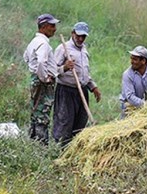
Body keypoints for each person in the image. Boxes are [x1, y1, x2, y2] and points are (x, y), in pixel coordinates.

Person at [52, 21, 102, 147]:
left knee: (80, 123)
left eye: (83, 36)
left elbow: (85, 73)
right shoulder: (63, 48)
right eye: (78, 35)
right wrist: (64, 67)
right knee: (65, 122)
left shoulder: (84, 50)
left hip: (82, 91)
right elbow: (51, 70)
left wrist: (93, 86)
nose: (80, 39)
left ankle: (74, 149)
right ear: (72, 33)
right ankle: (60, 150)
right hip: (66, 91)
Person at [23, 13, 60, 144]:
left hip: (36, 80)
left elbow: (26, 58)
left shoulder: (34, 41)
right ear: (44, 27)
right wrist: (45, 78)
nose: (55, 29)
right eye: (52, 26)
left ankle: (33, 143)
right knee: (42, 114)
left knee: (35, 112)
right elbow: (40, 63)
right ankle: (41, 145)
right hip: (42, 83)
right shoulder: (43, 43)